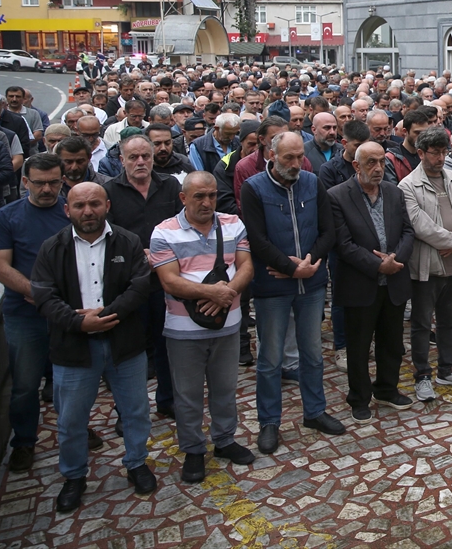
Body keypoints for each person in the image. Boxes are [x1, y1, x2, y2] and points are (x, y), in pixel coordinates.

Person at [30, 182, 155, 513]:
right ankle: (74, 476)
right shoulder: (52, 248)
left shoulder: (127, 242)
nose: (88, 211)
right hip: (73, 347)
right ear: (66, 209)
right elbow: (43, 294)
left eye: (95, 204)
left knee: (135, 410)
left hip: (123, 342)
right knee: (71, 420)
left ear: (107, 205)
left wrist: (107, 315)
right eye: (80, 205)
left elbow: (140, 284)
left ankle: (136, 462)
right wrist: (78, 322)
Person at [240, 131, 344, 454]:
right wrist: (289, 267)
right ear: (271, 155)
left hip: (311, 283)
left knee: (312, 354)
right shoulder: (254, 188)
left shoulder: (312, 184)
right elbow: (256, 239)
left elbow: (329, 230)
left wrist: (311, 261)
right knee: (270, 359)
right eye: (289, 158)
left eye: (300, 157)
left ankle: (315, 411)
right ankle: (269, 422)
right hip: (273, 287)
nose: (296, 163)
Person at [150, 172, 257, 483]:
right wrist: (213, 293)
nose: (207, 202)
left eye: (211, 195)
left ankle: (224, 440)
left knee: (225, 389)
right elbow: (169, 280)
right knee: (188, 394)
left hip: (229, 324)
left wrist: (228, 294)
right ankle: (194, 448)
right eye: (199, 196)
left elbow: (246, 265)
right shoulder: (164, 232)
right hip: (184, 330)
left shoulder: (233, 224)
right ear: (184, 198)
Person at [0, 154, 71, 473]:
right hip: (25, 314)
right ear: (25, 182)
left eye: (54, 182)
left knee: (71, 379)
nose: (48, 189)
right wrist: (36, 293)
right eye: (40, 183)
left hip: (65, 313)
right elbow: (0, 266)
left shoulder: (72, 210)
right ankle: (23, 441)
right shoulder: (6, 217)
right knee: (24, 383)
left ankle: (75, 428)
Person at [328, 141, 416, 420]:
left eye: (381, 162)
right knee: (358, 345)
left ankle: (387, 388)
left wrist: (394, 261)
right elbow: (343, 244)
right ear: (356, 165)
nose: (378, 168)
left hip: (394, 281)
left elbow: (408, 231)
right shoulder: (337, 196)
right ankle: (359, 397)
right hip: (360, 283)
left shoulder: (393, 191)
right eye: (371, 163)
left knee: (391, 341)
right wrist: (379, 265)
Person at [104, 134, 185, 419]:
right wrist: (140, 255)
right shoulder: (110, 192)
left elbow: (181, 225)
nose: (140, 162)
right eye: (133, 157)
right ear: (122, 159)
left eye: (145, 156)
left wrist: (163, 256)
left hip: (166, 281)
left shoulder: (170, 185)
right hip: (128, 284)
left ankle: (168, 399)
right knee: (130, 351)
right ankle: (128, 409)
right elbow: (108, 235)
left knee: (168, 344)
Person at [399, 128, 452, 402]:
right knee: (422, 323)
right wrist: (450, 240)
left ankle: (447, 368)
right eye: (435, 152)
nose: (441, 158)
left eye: (444, 152)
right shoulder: (408, 186)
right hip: (428, 265)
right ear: (421, 153)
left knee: (448, 322)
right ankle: (422, 374)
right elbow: (419, 225)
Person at [319, 118, 369, 190]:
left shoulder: (374, 164)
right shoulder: (329, 169)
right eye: (357, 145)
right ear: (344, 143)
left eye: (366, 145)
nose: (362, 149)